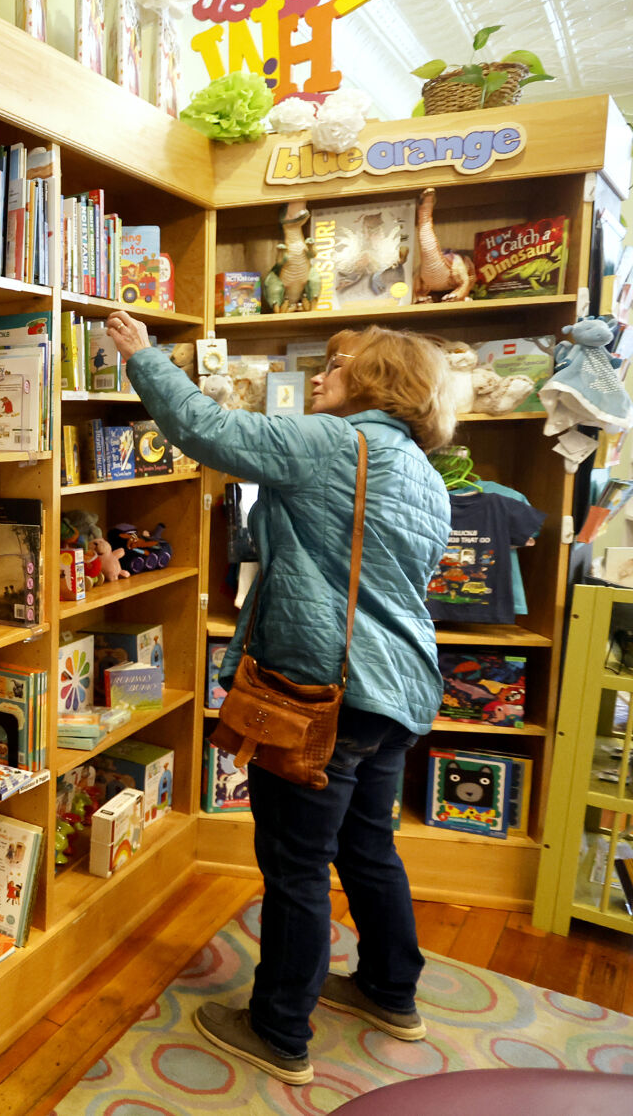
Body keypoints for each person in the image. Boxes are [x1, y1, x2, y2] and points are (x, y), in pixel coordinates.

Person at [107, 310, 452, 1087]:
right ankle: (392, 991)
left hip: (324, 696)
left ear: (373, 382)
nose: (321, 374)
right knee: (369, 846)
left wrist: (142, 356)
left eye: (339, 365)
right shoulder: (426, 476)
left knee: (296, 863)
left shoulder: (334, 444)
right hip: (398, 693)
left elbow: (206, 429)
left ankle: (278, 1030)